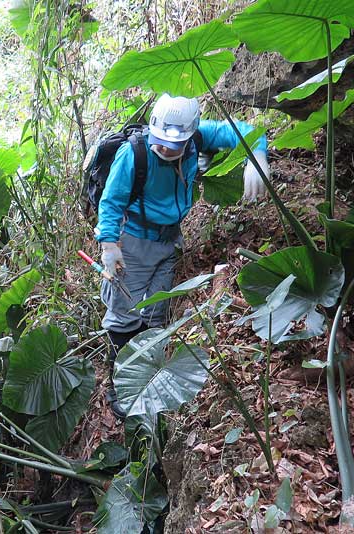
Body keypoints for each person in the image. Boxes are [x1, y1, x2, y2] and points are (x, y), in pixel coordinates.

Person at [96, 93, 269, 417]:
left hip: (170, 239)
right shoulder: (133, 154)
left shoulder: (199, 137)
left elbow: (247, 131)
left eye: (172, 145)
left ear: (190, 136)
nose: (163, 149)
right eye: (160, 142)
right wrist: (109, 245)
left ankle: (152, 377)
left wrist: (257, 155)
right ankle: (120, 385)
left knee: (156, 311)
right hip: (133, 241)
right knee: (123, 313)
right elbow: (111, 201)